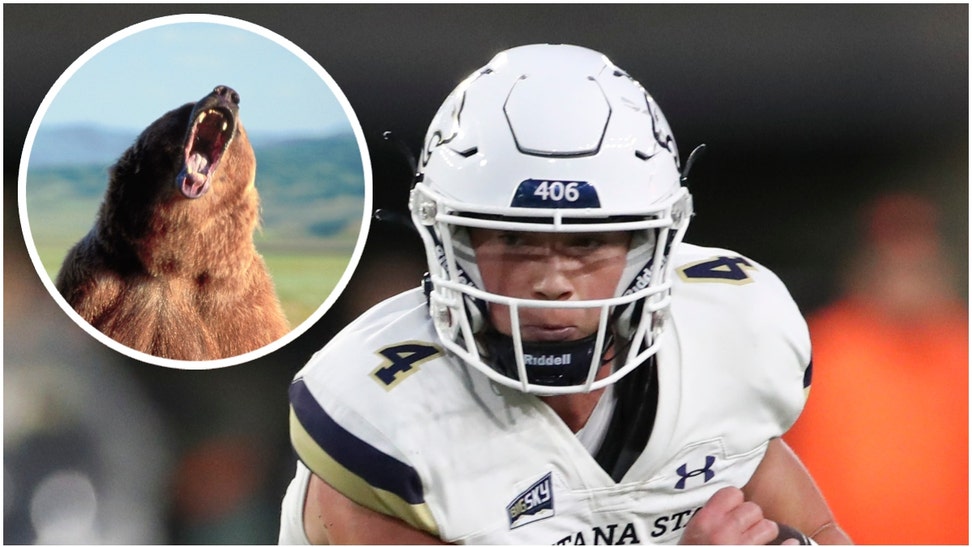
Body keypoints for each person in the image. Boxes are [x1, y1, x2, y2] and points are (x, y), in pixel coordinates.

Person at [279, 44, 851, 545]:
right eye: (515, 239)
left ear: (651, 245)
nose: (552, 279)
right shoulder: (387, 419)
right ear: (449, 239)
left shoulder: (728, 337)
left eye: (587, 242)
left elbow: (824, 535)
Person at [784, 192, 968, 544]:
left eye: (919, 265)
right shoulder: (817, 346)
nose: (907, 279)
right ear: (861, 265)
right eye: (893, 262)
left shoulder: (961, 346)